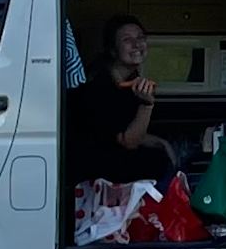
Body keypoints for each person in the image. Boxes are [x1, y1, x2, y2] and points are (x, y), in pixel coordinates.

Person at [66, 14, 181, 182]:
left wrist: (162, 143)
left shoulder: (129, 80)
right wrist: (146, 105)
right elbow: (128, 141)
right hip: (94, 172)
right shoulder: (98, 86)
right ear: (113, 50)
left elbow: (127, 130)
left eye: (140, 38)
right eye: (127, 40)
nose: (137, 44)